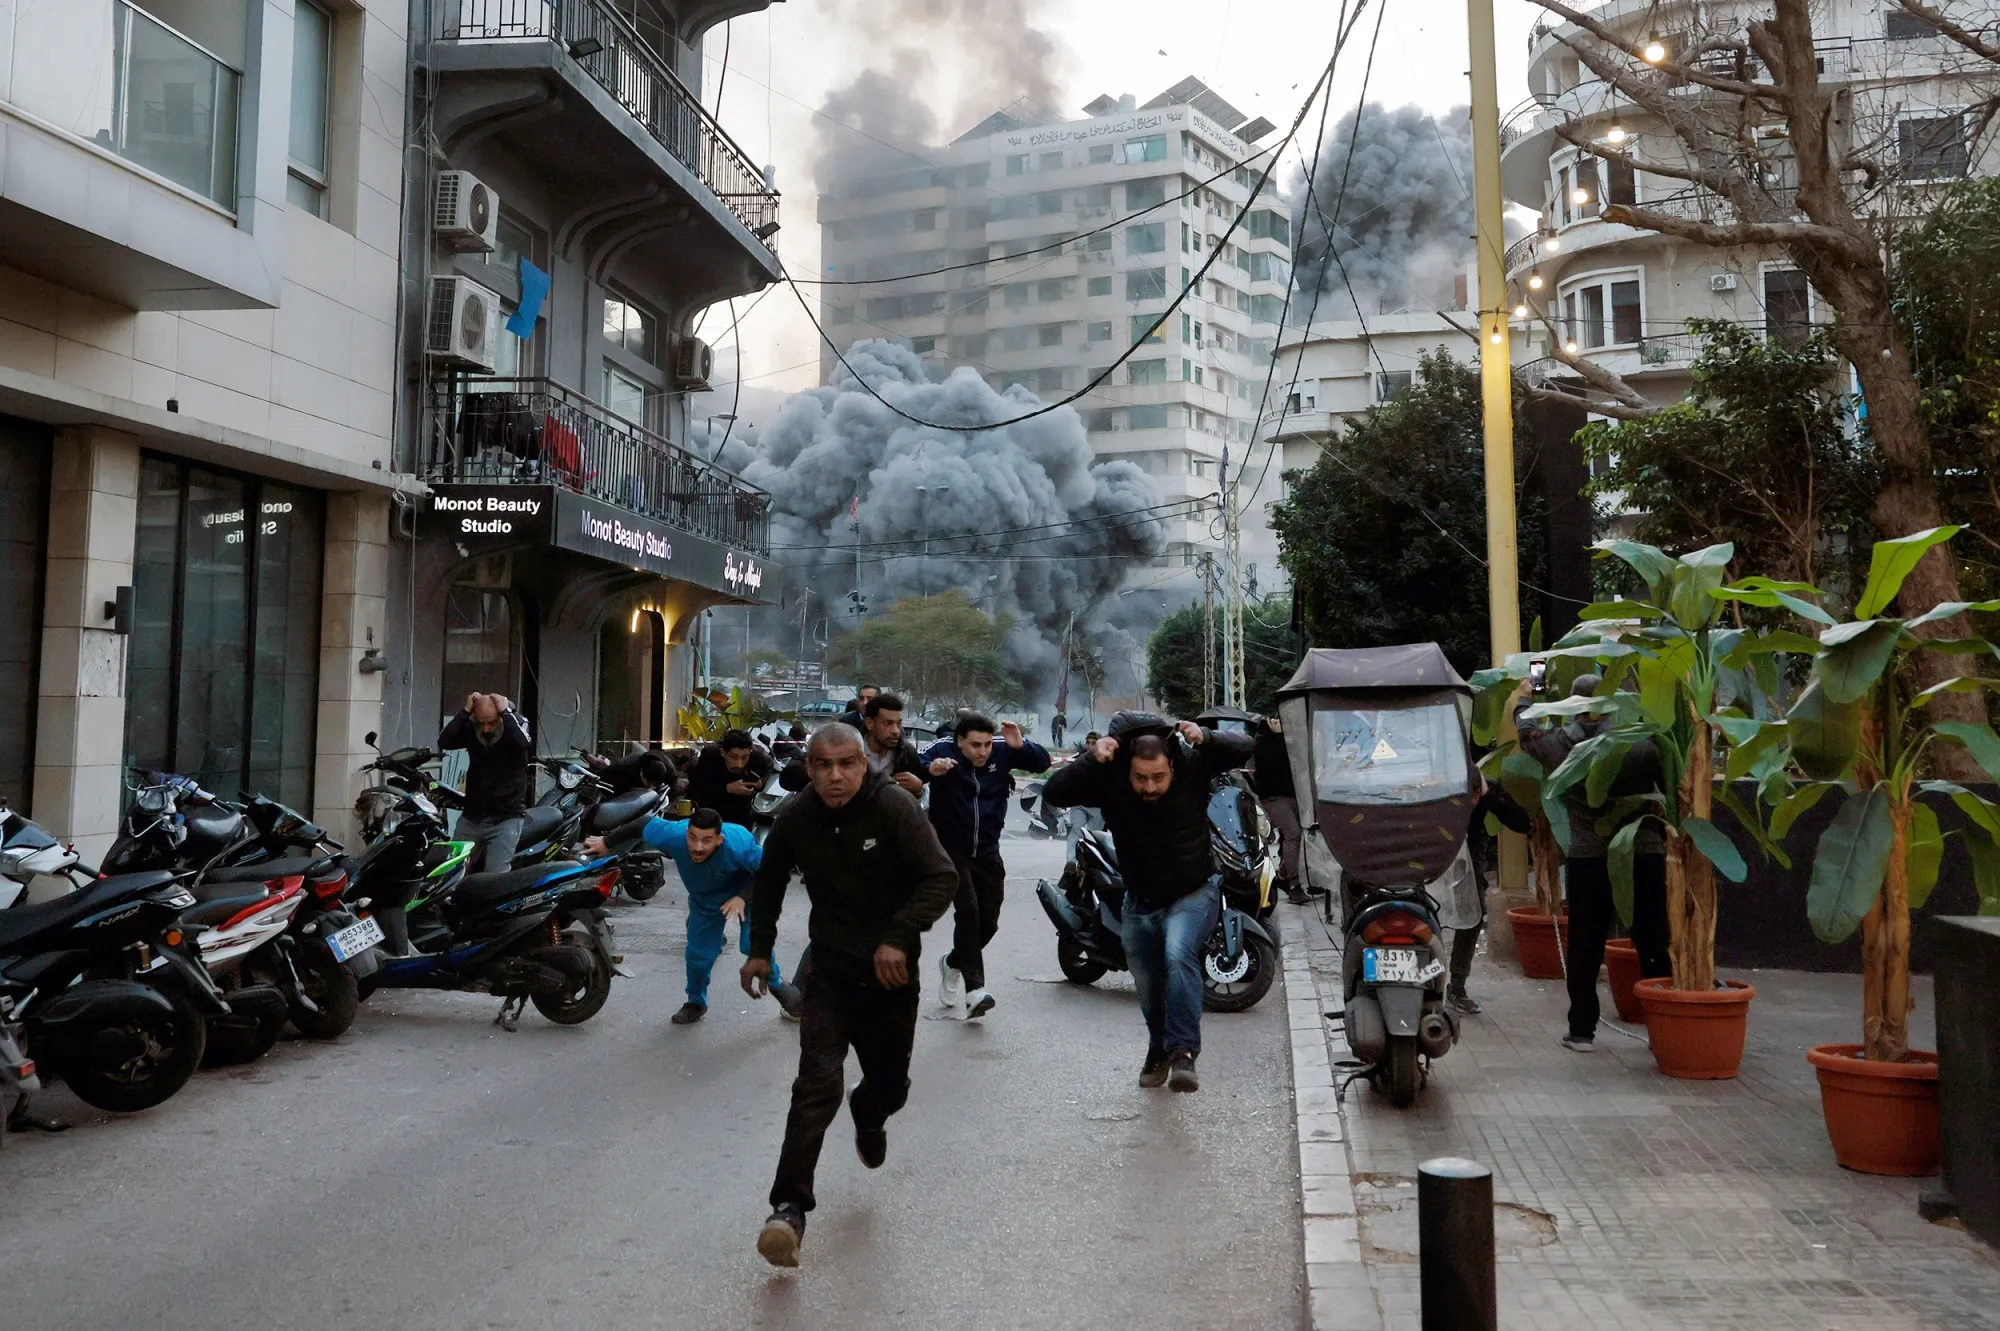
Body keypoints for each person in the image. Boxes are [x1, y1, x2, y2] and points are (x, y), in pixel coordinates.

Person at [741, 724, 958, 1268]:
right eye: (822, 765)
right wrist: (760, 950)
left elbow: (940, 876)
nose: (835, 776)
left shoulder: (894, 808)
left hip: (890, 978)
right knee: (815, 1085)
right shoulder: (796, 816)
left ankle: (870, 1110)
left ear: (865, 763)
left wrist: (898, 936)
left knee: (891, 1085)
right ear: (809, 769)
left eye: (846, 764)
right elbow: (768, 882)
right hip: (830, 972)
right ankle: (788, 1210)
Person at [1043, 712, 1253, 1092]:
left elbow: (1246, 747)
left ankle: (1183, 1053)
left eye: (1158, 777)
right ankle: (1159, 1048)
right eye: (1141, 778)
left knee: (1178, 954)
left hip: (1193, 891)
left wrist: (1206, 736)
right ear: (1128, 769)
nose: (1150, 786)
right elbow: (1054, 793)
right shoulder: (1110, 781)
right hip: (1139, 900)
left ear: (1171, 765)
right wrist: (1091, 758)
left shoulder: (1192, 767)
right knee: (1148, 984)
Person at [1516, 673, 1670, 1051]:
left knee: (1586, 943)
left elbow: (1527, 732)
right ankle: (1667, 1028)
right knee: (1652, 938)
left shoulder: (1559, 745)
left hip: (1589, 856)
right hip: (1642, 848)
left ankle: (1582, 1030)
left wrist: (1526, 696)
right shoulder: (1641, 743)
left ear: (1575, 706)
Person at [583, 808, 802, 1024]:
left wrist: (743, 897)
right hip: (705, 899)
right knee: (698, 956)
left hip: (748, 892)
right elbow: (644, 823)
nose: (698, 847)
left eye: (707, 840)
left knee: (751, 945)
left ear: (719, 840)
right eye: (693, 838)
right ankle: (696, 1001)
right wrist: (607, 842)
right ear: (687, 833)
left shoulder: (738, 845)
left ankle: (778, 985)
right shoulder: (674, 835)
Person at [921, 711, 1051, 1020]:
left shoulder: (1002, 750)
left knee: (989, 923)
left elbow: (1042, 763)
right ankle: (975, 991)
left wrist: (1021, 746)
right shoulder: (942, 748)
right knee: (968, 912)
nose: (982, 752)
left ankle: (953, 962)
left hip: (988, 850)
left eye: (986, 745)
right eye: (975, 745)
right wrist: (931, 769)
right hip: (950, 850)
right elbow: (913, 764)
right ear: (959, 741)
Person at [439, 692, 534, 871]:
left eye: (492, 723)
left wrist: (506, 713)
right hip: (472, 816)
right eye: (481, 723)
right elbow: (445, 741)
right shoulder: (473, 728)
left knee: (495, 875)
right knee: (451, 870)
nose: (486, 729)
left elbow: (522, 743)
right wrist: (466, 711)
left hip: (506, 817)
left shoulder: (517, 723)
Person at [1251, 713, 1305, 905]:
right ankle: (1293, 884)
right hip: (1273, 797)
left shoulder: (1284, 740)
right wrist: (1279, 735)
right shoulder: (1262, 743)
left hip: (1290, 794)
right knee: (1293, 834)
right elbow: (1276, 760)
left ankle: (1283, 874)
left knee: (1296, 836)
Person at [687, 728, 773, 829]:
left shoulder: (758, 757)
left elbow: (770, 764)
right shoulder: (710, 755)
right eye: (734, 757)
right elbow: (697, 791)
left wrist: (761, 783)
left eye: (744, 757)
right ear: (723, 753)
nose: (739, 764)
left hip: (741, 813)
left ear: (750, 752)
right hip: (711, 812)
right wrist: (728, 788)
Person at [596, 745, 678, 795]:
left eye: (654, 784)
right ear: (642, 773)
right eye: (649, 783)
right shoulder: (625, 767)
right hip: (614, 777)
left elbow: (673, 787)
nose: (650, 786)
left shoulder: (670, 772)